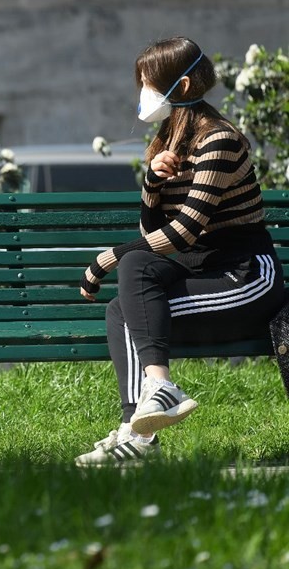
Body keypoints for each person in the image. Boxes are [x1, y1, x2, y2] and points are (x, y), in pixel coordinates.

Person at [75, 37, 285, 466]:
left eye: (149, 84)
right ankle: (138, 434)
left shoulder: (220, 141)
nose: (143, 94)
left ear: (183, 86)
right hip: (202, 272)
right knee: (122, 307)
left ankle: (159, 394)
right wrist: (153, 182)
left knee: (128, 274)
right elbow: (151, 232)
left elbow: (185, 232)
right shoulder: (168, 140)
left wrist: (107, 257)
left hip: (246, 278)